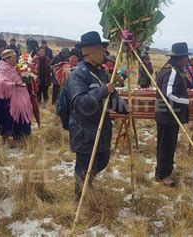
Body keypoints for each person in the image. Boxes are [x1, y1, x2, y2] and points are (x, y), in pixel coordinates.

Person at [65, 31, 127, 201]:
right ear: (89, 52)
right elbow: (81, 103)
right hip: (84, 130)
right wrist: (102, 91)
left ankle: (88, 185)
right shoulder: (78, 74)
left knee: (102, 160)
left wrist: (125, 108)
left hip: (102, 129)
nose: (104, 53)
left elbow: (111, 99)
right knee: (85, 166)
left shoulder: (101, 73)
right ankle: (81, 197)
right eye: (101, 50)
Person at [155, 42, 192, 186]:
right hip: (168, 115)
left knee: (167, 145)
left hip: (167, 115)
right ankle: (163, 175)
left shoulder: (170, 69)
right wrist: (185, 102)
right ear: (181, 58)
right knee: (166, 146)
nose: (187, 61)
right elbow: (168, 94)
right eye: (186, 58)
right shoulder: (172, 72)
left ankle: (164, 170)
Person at [0, 49, 33, 140]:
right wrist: (14, 84)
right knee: (8, 117)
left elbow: (21, 75)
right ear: (7, 59)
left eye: (16, 58)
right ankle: (8, 136)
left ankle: (21, 135)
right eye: (14, 58)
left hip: (18, 94)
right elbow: (1, 82)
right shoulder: (2, 69)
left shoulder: (13, 67)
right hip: (6, 98)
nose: (16, 60)